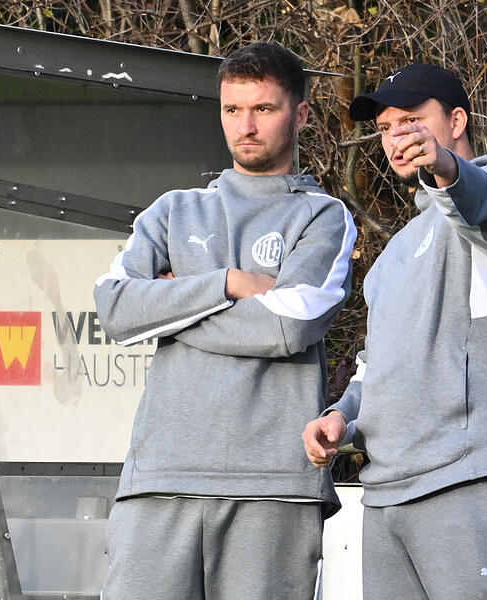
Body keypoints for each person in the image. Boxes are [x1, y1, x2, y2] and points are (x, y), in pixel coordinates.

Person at [95, 42, 356, 600]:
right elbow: (115, 311)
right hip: (159, 478)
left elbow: (286, 327)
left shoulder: (323, 216)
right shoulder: (172, 210)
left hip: (272, 484)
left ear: (301, 114)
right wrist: (225, 285)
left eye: (264, 109)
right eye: (232, 109)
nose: (246, 126)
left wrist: (169, 309)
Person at [303, 63, 487, 599]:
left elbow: (482, 200)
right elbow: (377, 366)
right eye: (387, 126)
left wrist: (444, 165)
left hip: (473, 475)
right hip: (388, 492)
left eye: (412, 120)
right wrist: (340, 419)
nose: (398, 136)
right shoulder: (394, 253)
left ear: (456, 119)